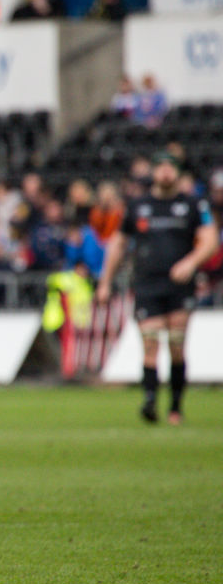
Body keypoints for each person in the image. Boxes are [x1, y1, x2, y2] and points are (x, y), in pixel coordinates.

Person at [96, 151, 218, 425]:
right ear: (153, 171)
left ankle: (175, 407)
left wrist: (191, 262)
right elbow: (118, 244)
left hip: (180, 286)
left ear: (177, 173)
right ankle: (150, 401)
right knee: (150, 343)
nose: (165, 172)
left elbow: (210, 240)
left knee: (176, 345)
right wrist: (105, 282)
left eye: (170, 167)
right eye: (160, 166)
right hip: (147, 283)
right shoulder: (138, 205)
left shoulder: (194, 204)